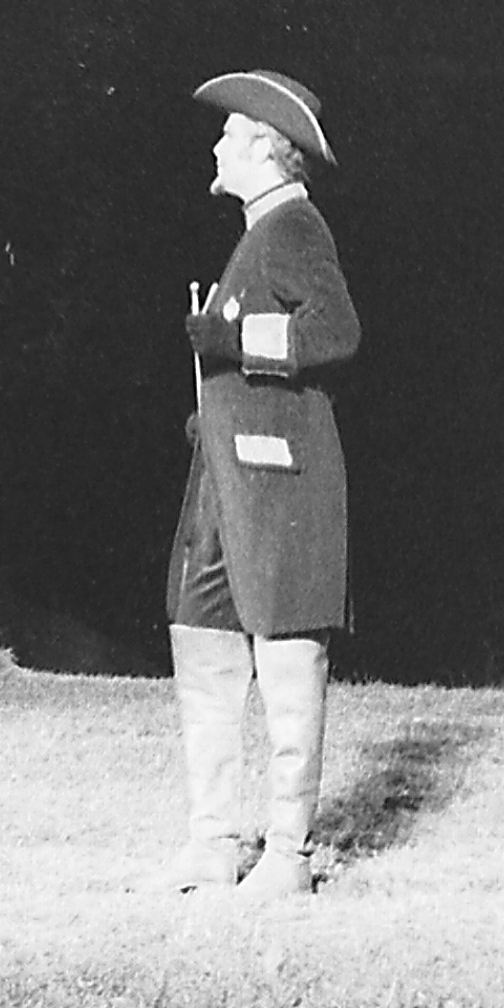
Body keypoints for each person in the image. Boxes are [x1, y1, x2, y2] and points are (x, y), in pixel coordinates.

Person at [149, 71, 359, 903]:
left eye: (230, 137)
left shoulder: (292, 226)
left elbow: (337, 330)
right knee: (200, 642)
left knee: (285, 657)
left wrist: (235, 341)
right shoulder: (259, 233)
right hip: (229, 481)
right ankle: (212, 845)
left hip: (277, 489)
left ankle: (287, 856)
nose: (216, 147)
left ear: (268, 151)